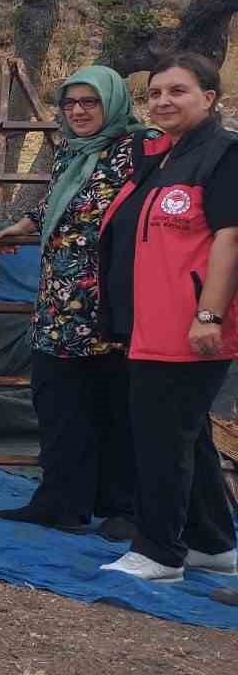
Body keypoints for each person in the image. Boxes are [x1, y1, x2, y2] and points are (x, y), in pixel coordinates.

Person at [97, 52, 238, 583]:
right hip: (150, 326)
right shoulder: (164, 157)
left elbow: (230, 237)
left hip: (190, 327)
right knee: (185, 436)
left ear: (209, 97)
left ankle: (159, 552)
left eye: (177, 91)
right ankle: (213, 543)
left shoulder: (223, 155)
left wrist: (209, 312)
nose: (162, 101)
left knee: (160, 440)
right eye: (154, 93)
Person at [0, 67, 143, 537]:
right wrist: (29, 222)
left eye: (89, 103)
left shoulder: (137, 152)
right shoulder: (71, 152)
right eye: (71, 103)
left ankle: (123, 507)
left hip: (108, 305)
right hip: (59, 303)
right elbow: (64, 202)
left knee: (115, 407)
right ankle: (61, 500)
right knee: (58, 403)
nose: (78, 112)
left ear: (112, 103)